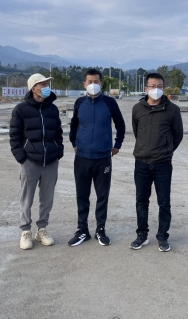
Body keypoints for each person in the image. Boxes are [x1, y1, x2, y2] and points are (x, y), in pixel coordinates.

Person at [68, 68, 125, 247]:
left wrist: (117, 145)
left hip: (103, 158)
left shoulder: (109, 103)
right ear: (84, 84)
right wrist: (74, 142)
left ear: (101, 83)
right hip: (82, 158)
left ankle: (100, 229)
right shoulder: (79, 103)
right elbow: (74, 125)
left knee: (102, 196)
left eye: (96, 82)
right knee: (82, 195)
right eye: (90, 82)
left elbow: (120, 124)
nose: (93, 85)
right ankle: (82, 230)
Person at [9, 73, 64, 250]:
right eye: (43, 84)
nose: (47, 87)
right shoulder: (20, 109)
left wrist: (58, 150)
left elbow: (58, 133)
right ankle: (25, 231)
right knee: (27, 197)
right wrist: (21, 158)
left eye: (47, 84)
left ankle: (42, 229)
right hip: (30, 161)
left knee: (47, 197)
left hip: (51, 160)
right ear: (34, 88)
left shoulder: (52, 109)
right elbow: (14, 136)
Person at [130, 72, 183, 252]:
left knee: (164, 202)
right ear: (146, 88)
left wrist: (166, 150)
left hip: (163, 164)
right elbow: (137, 132)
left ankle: (162, 237)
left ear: (163, 88)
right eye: (152, 86)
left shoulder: (173, 110)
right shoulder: (137, 109)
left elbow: (178, 135)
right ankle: (142, 235)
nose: (156, 89)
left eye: (159, 86)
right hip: (141, 163)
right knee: (141, 201)